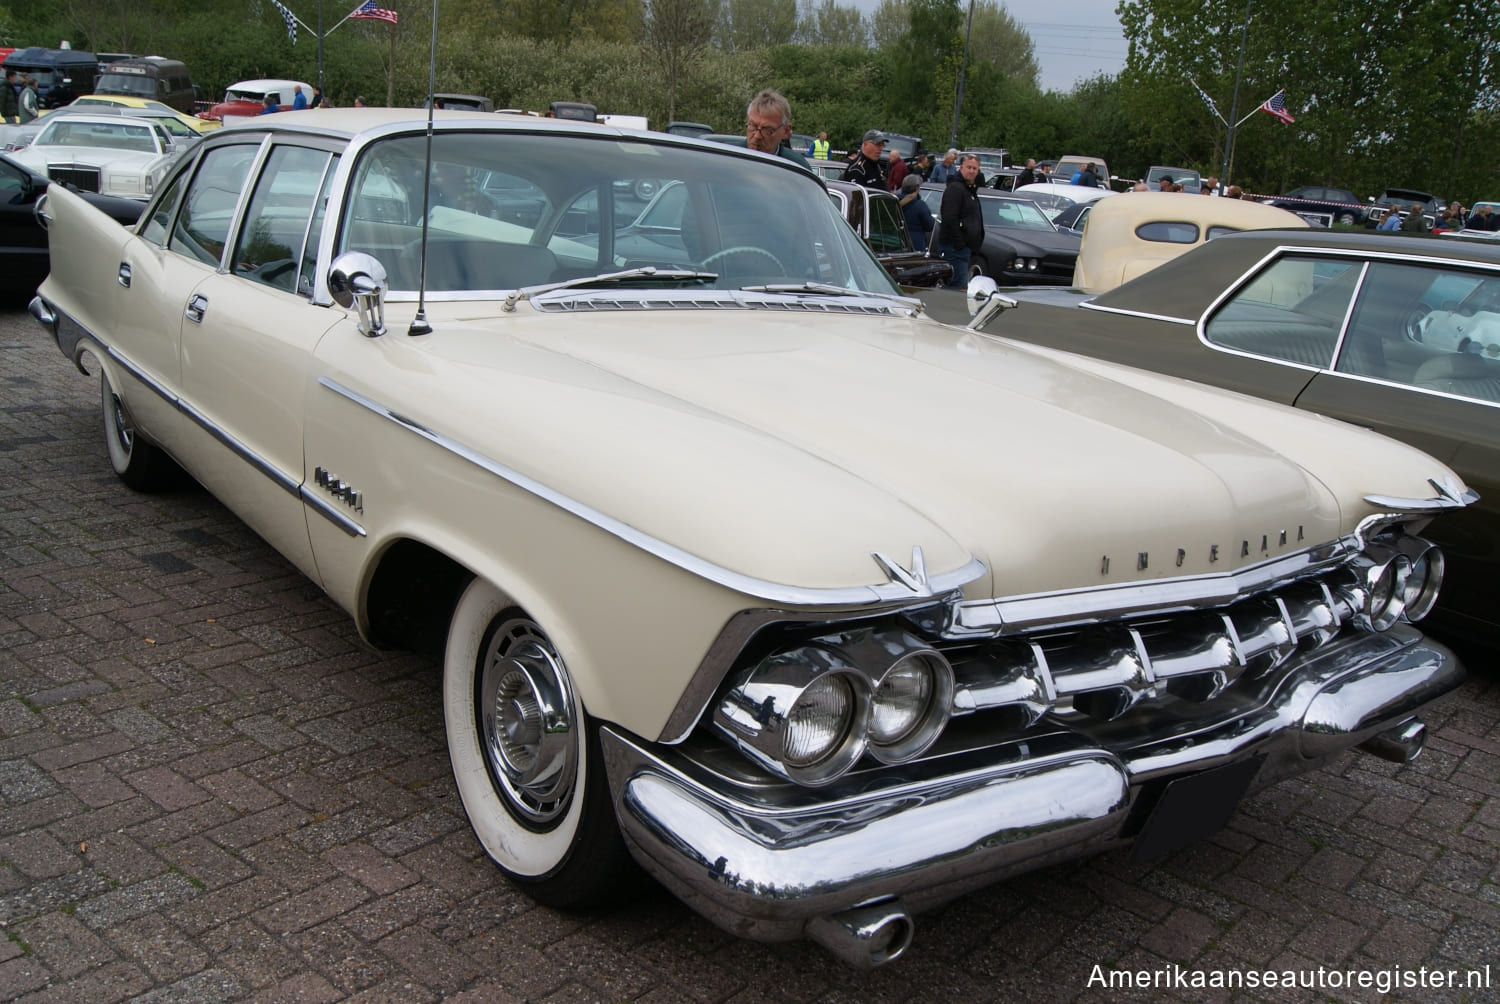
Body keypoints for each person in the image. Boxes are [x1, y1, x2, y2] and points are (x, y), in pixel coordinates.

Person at [734, 88, 811, 171]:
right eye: (753, 126)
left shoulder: (797, 167)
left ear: (786, 131)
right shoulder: (728, 156)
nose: (757, 136)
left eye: (768, 130)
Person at [935, 153, 983, 286]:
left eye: (975, 168)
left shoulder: (970, 190)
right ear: (961, 168)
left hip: (964, 248)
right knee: (957, 288)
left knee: (961, 285)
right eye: (969, 167)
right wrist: (959, 243)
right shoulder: (955, 189)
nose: (972, 171)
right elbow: (950, 218)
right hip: (954, 248)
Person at [899, 173, 934, 253]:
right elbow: (929, 225)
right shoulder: (920, 205)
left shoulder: (894, 201)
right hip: (915, 244)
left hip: (895, 241)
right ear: (917, 188)